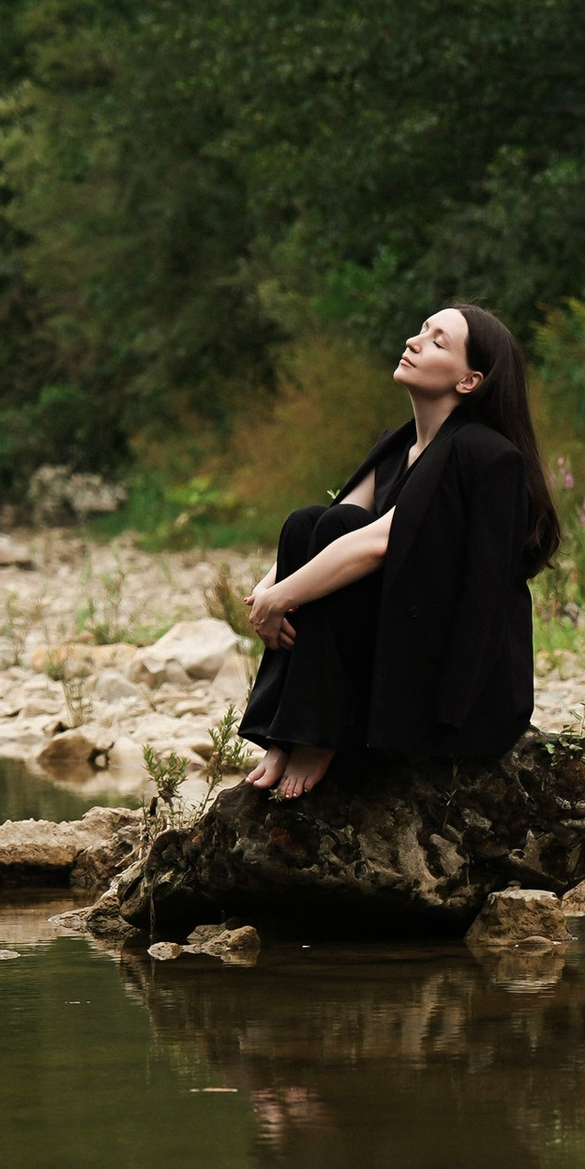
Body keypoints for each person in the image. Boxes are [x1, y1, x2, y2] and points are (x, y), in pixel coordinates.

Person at [240, 302, 562, 799]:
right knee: (309, 521)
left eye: (437, 341)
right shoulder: (400, 443)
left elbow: (377, 543)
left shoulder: (483, 452)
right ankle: (289, 730)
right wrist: (267, 589)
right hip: (402, 641)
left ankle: (317, 737)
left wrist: (283, 597)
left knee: (342, 532)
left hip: (456, 683)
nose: (414, 341)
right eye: (421, 330)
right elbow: (333, 521)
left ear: (470, 381)